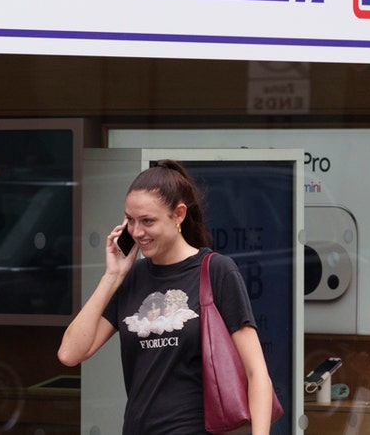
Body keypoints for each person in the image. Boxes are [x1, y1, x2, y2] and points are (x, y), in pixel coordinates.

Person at [57, 160, 275, 435]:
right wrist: (112, 277)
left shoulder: (216, 270)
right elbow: (70, 353)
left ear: (179, 214)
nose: (137, 232)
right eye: (131, 221)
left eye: (148, 221)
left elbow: (257, 373)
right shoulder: (131, 278)